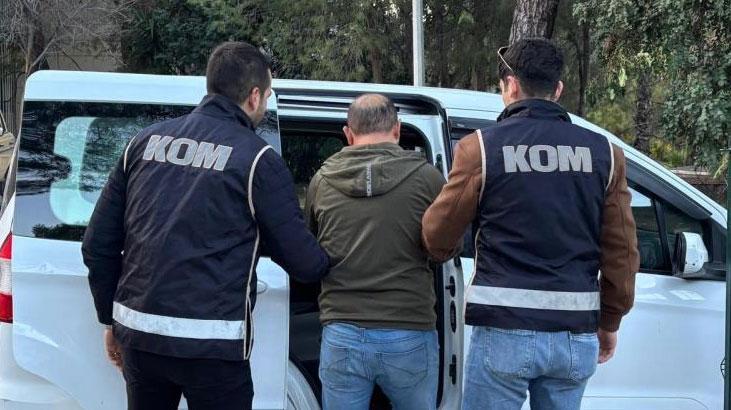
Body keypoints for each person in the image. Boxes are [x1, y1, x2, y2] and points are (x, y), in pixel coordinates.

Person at [82, 41, 329, 410]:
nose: (265, 104)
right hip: (213, 350)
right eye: (267, 96)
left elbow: (97, 245)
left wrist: (109, 320)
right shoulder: (257, 159)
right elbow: (305, 263)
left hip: (141, 339)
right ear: (254, 96)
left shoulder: (142, 144)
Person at [421, 38, 640, 410]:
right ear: (558, 89)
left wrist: (447, 248)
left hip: (503, 333)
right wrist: (610, 320)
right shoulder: (605, 153)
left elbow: (437, 235)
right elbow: (622, 253)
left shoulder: (481, 148)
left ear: (511, 86)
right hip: (574, 335)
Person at [304, 94, 449, 410]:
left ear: (348, 134)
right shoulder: (428, 179)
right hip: (409, 330)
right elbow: (447, 248)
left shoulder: (321, 182)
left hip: (342, 331)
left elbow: (309, 248)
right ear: (397, 129)